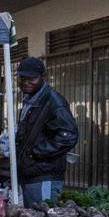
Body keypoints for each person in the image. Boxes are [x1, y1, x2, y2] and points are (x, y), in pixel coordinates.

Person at [15, 57, 78, 207]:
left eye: (31, 78)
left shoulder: (54, 102)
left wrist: (35, 153)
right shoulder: (30, 100)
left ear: (43, 77)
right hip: (31, 173)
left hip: (44, 175)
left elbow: (68, 137)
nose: (26, 82)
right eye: (22, 78)